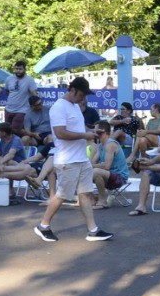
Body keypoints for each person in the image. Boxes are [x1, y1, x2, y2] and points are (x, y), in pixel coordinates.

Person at [33, 77, 111, 243]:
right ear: (73, 90)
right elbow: (60, 133)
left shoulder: (75, 106)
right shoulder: (58, 107)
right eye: (82, 94)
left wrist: (91, 130)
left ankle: (93, 230)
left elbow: (76, 128)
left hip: (81, 158)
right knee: (62, 195)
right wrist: (85, 135)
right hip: (67, 160)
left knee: (85, 193)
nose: (84, 98)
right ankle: (43, 226)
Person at [0, 123, 43, 194]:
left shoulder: (16, 140)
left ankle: (9, 190)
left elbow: (10, 155)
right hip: (5, 163)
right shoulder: (2, 140)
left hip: (18, 164)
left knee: (8, 162)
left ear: (4, 133)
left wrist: (0, 162)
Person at [91, 121, 131, 209]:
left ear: (103, 131)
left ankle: (102, 201)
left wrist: (92, 166)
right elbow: (92, 162)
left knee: (95, 171)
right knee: (84, 170)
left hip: (120, 177)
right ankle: (92, 198)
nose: (93, 131)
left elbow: (106, 166)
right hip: (109, 175)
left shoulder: (110, 144)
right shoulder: (101, 145)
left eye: (96, 129)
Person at [2, 61, 38, 134]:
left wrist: (36, 104)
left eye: (20, 69)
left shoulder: (29, 80)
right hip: (9, 109)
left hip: (22, 110)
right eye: (16, 69)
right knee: (6, 131)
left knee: (15, 130)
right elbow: (7, 91)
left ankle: (22, 141)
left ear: (24, 69)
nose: (18, 71)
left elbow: (34, 94)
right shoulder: (9, 79)